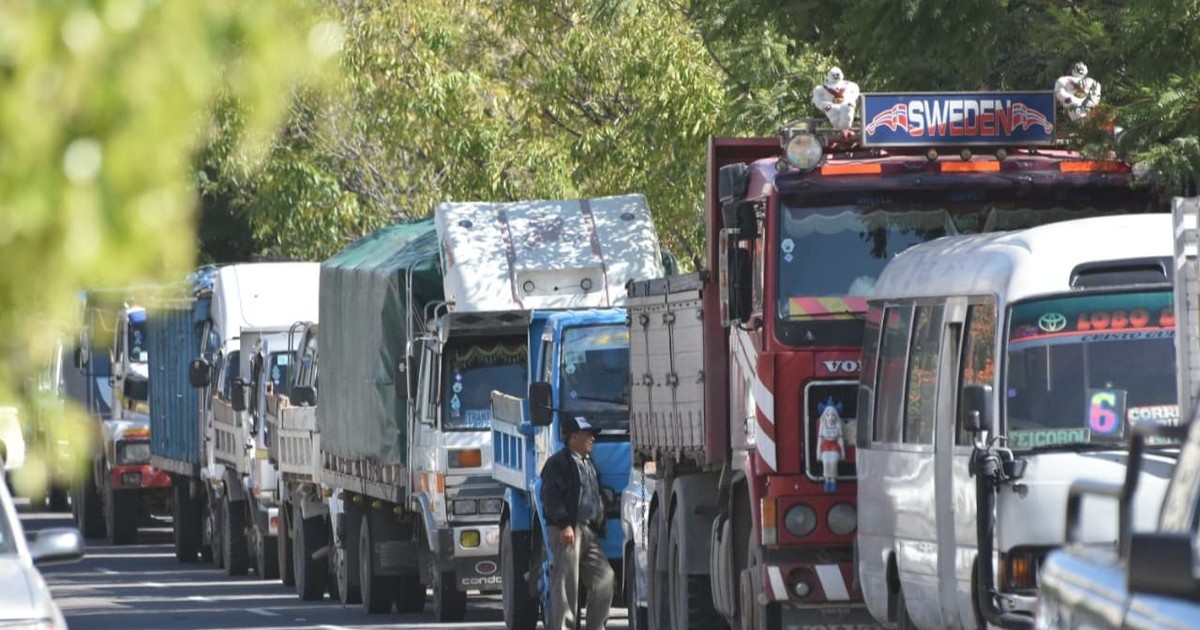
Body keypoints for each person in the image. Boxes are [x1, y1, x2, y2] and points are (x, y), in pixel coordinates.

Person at [540, 415, 614, 630]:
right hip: (568, 530)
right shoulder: (558, 463)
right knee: (566, 584)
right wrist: (564, 524)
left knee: (605, 578)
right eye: (587, 435)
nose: (593, 439)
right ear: (572, 438)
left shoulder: (588, 462)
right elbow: (550, 497)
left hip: (588, 531)